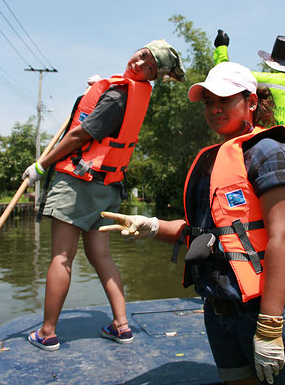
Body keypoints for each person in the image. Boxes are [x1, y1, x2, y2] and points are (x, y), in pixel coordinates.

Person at [99, 62, 285, 385]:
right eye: (208, 101)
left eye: (224, 99)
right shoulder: (215, 161)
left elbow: (281, 238)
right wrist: (152, 226)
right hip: (221, 309)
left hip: (267, 311)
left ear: (251, 101)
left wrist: (271, 325)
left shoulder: (269, 152)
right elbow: (204, 236)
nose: (214, 108)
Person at [22, 39, 185, 351]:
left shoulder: (117, 95)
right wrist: (96, 92)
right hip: (108, 187)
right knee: (102, 256)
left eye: (149, 66)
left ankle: (47, 332)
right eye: (141, 55)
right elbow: (109, 114)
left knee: (62, 256)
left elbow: (81, 133)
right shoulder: (130, 93)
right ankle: (122, 326)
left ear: (154, 75)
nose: (139, 64)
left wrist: (41, 165)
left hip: (79, 183)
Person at [213, 31, 285, 275]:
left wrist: (221, 47)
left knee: (254, 231)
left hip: (257, 165)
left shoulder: (259, 81)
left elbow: (225, 75)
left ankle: (254, 284)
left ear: (272, 60)